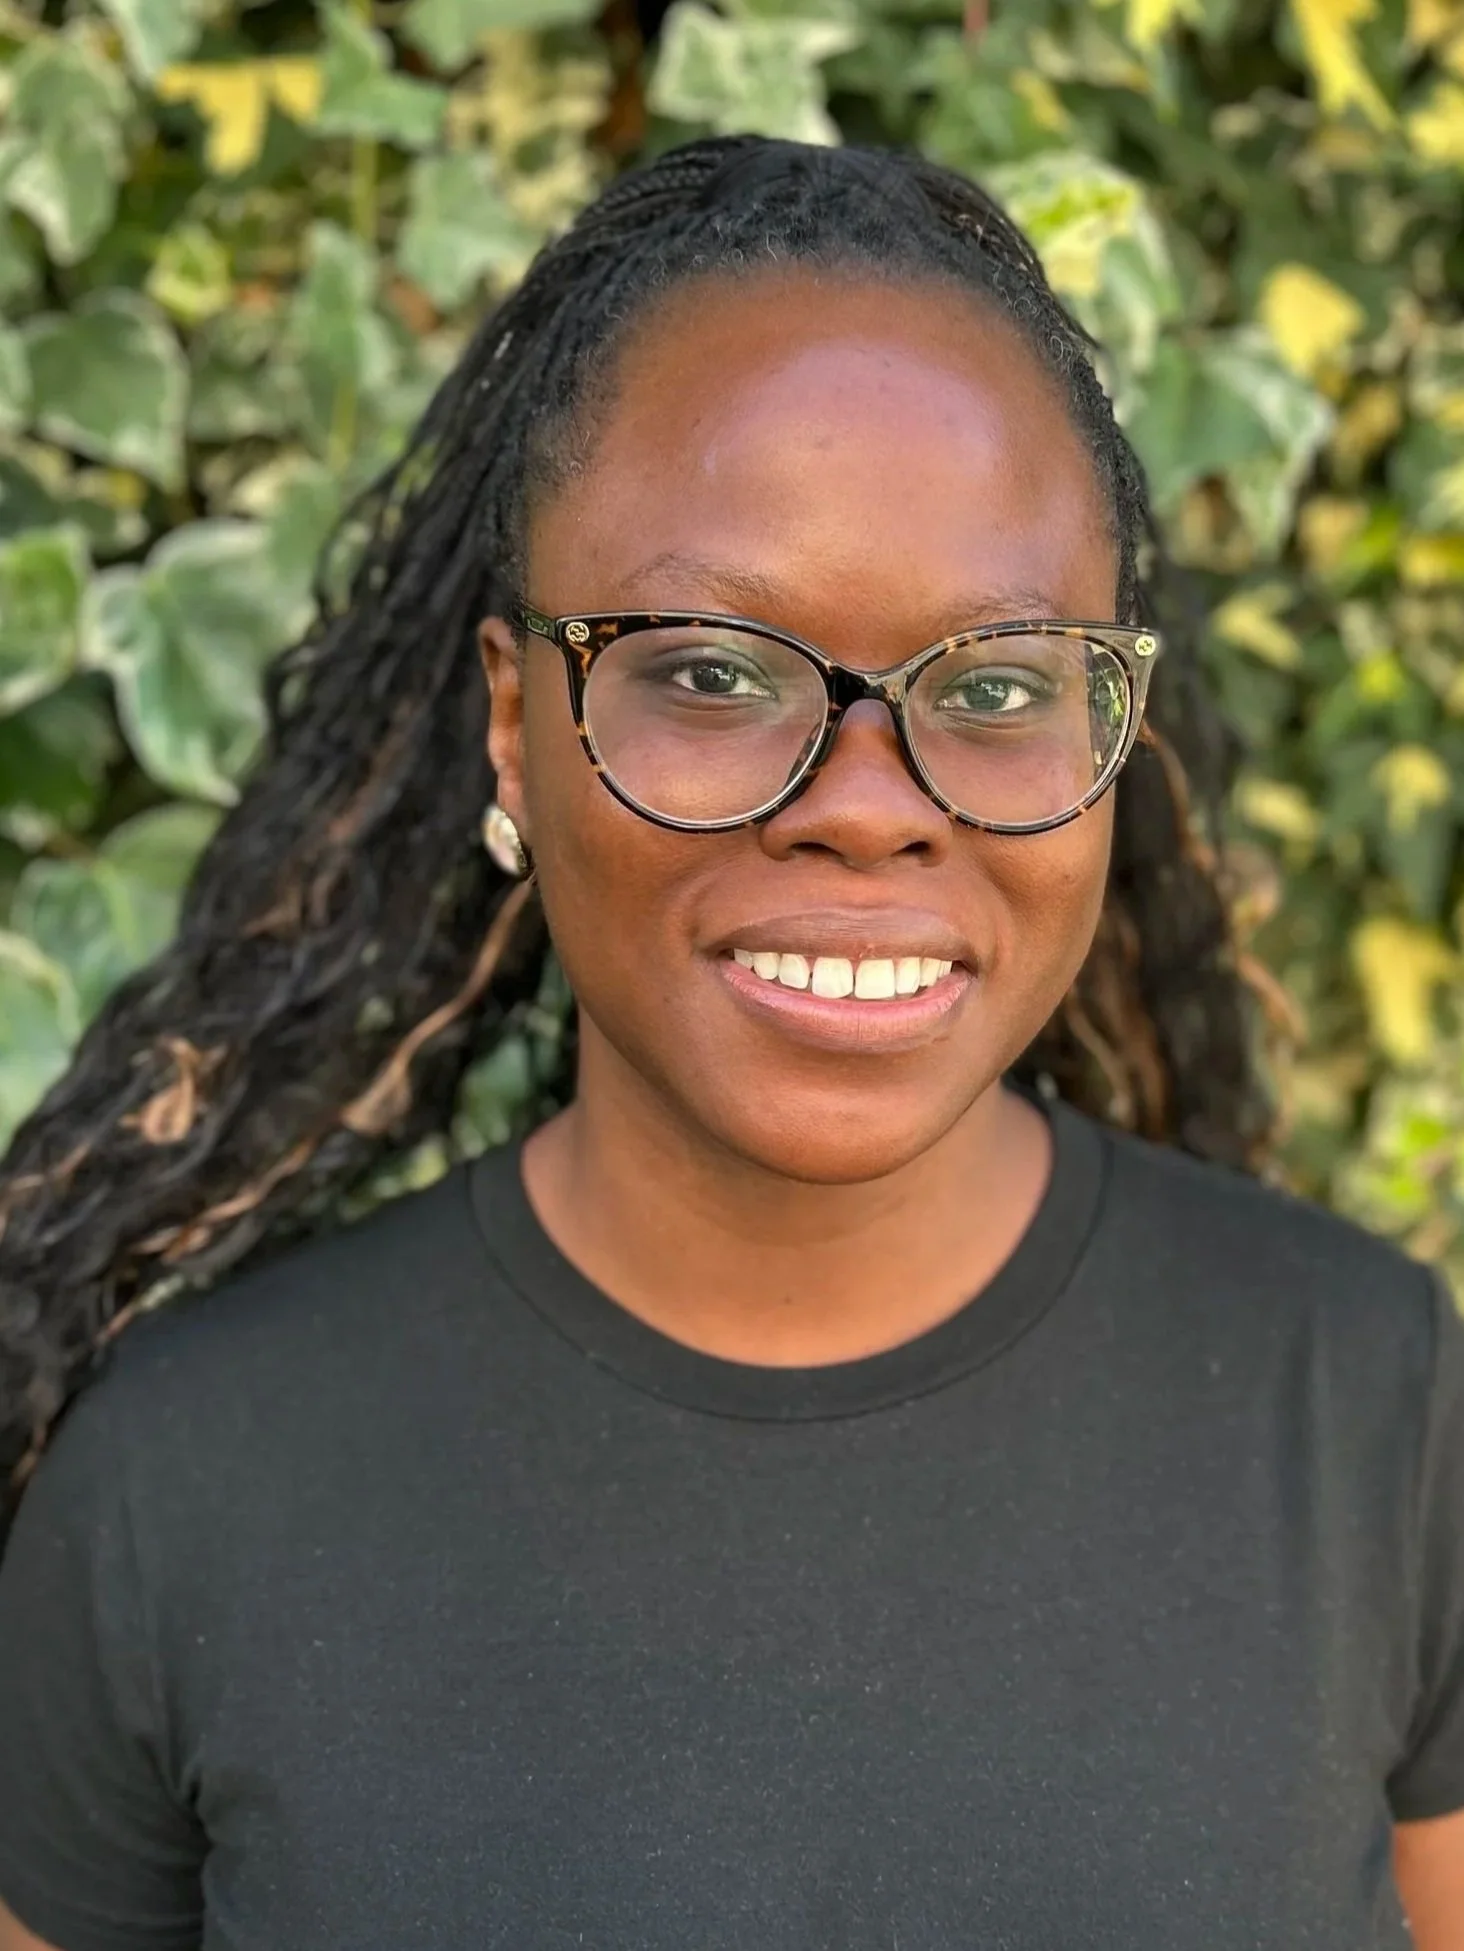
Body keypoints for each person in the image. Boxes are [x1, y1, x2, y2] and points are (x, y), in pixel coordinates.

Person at [0, 132, 1461, 1950]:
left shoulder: (1369, 1402)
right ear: (515, 726)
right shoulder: (183, 1491)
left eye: (996, 684)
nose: (868, 808)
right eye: (709, 669)